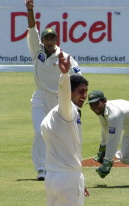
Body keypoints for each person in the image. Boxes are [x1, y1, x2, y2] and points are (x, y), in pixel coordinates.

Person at [22, 51, 89, 206]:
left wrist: (79, 181)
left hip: (54, 178)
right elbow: (63, 94)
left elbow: (67, 151)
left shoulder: (50, 117)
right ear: (68, 92)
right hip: (67, 180)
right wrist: (64, 75)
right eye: (81, 91)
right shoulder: (65, 111)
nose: (85, 96)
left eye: (86, 92)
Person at [25, 0, 82, 181]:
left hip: (59, 99)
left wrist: (78, 100)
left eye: (52, 38)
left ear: (56, 40)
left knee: (61, 134)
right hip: (40, 97)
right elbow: (32, 28)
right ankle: (42, 169)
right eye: (46, 38)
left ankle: (61, 165)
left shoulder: (65, 57)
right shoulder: (37, 50)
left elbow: (78, 78)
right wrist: (30, 9)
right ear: (42, 40)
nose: (49, 41)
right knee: (39, 130)